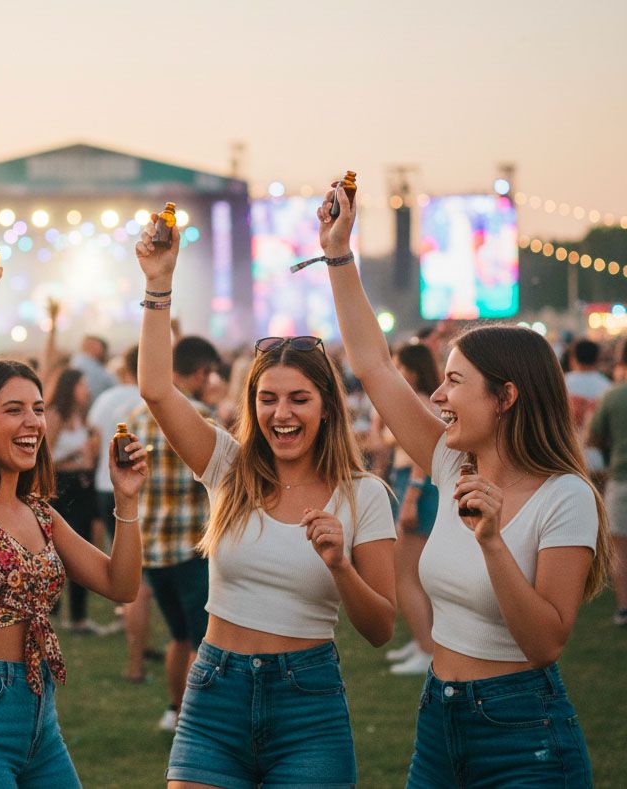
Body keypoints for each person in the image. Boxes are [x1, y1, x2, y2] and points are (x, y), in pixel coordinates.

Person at [318, 183, 610, 787]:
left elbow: (545, 644)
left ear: (506, 397)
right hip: (439, 720)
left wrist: (494, 543)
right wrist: (339, 254)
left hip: (524, 734)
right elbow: (373, 363)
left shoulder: (565, 497)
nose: (437, 397)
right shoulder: (454, 466)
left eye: (455, 383)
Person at [135, 219, 396, 786]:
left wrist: (340, 565)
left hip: (308, 705)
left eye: (300, 399)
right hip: (213, 697)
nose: (283, 414)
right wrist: (159, 284)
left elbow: (380, 628)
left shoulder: (364, 495)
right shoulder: (229, 469)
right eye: (268, 399)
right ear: (252, 406)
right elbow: (156, 388)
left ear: (327, 406)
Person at [0, 249, 145, 788]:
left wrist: (126, 501)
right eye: (13, 409)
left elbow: (122, 585)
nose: (32, 422)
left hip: (40, 717)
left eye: (37, 408)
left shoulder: (40, 515)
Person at [128, 335, 222, 733]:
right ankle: (202, 719)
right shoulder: (201, 416)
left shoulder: (135, 417)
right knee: (205, 640)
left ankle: (175, 710)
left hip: (151, 548)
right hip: (191, 547)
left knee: (178, 637)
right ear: (200, 373)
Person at [86, 345, 153, 681]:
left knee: (122, 564)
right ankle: (137, 650)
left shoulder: (106, 399)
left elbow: (94, 442)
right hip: (142, 491)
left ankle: (132, 636)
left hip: (103, 484)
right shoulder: (154, 400)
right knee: (137, 576)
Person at [382, 342, 442, 676]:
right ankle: (423, 641)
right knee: (414, 573)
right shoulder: (421, 402)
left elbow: (423, 454)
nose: (396, 373)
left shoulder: (420, 403)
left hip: (417, 485)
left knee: (404, 574)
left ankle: (426, 648)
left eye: (400, 368)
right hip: (413, 484)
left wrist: (411, 498)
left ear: (414, 370)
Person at [46, 366, 102, 633]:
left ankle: (78, 616)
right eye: (83, 385)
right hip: (60, 488)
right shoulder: (54, 415)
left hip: (82, 487)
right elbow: (43, 460)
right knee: (55, 550)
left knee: (82, 549)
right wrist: (73, 460)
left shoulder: (82, 418)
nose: (87, 390)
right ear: (71, 387)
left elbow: (87, 459)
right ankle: (51, 610)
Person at [588, 341, 627, 625]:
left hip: (621, 479)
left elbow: (592, 438)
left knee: (621, 552)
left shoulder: (613, 396)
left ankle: (624, 608)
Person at [565, 338, 611, 479]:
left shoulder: (562, 383)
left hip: (567, 457)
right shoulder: (606, 386)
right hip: (596, 459)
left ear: (573, 359)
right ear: (597, 359)